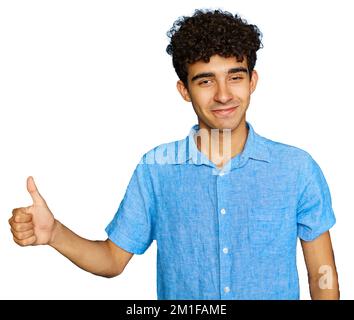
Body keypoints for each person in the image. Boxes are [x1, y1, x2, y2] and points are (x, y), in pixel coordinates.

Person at [9, 9, 339, 300]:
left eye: (235, 77)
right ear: (185, 90)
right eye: (206, 81)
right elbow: (112, 260)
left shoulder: (296, 169)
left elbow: (322, 277)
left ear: (252, 80)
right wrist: (54, 234)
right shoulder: (156, 170)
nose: (224, 95)